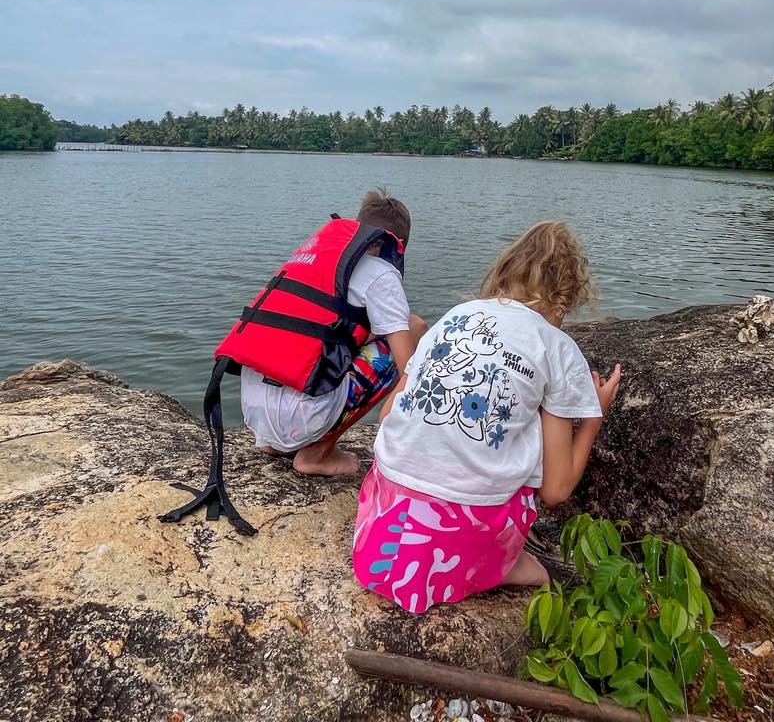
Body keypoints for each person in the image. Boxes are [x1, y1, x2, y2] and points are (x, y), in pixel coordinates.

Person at [352, 221, 621, 613]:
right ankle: (497, 563)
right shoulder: (557, 347)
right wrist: (594, 415)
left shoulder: (455, 316)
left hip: (385, 513)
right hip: (464, 529)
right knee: (524, 431)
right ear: (566, 298)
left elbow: (389, 413)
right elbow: (556, 491)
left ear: (505, 270)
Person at [240, 189, 428, 476]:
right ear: (397, 244)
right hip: (299, 416)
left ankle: (277, 443)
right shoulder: (381, 273)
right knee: (413, 329)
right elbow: (408, 366)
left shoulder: (314, 259)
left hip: (256, 414)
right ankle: (317, 453)